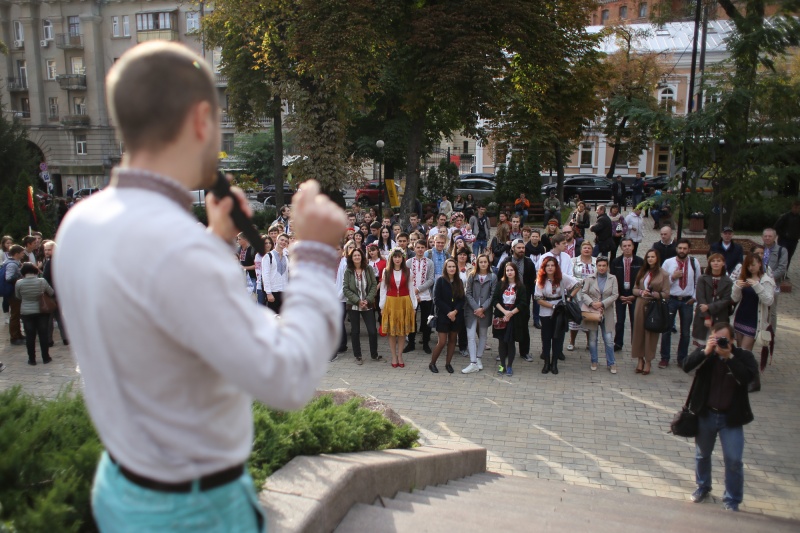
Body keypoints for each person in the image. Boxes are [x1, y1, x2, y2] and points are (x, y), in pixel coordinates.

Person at [54, 42, 348, 532]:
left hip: (122, 487)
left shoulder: (79, 222)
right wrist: (316, 255)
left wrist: (215, 240)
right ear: (200, 120)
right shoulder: (178, 249)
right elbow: (289, 378)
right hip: (191, 513)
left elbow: (156, 315)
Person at [683, 323, 758, 512]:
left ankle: (732, 499)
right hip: (706, 414)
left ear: (733, 340)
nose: (721, 343)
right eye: (716, 339)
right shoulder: (707, 354)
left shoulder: (743, 357)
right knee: (702, 455)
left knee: (734, 460)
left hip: (731, 418)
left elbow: (749, 379)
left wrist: (729, 357)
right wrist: (705, 352)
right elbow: (686, 365)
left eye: (724, 339)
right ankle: (703, 486)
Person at [659, 239, 701, 369]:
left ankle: (682, 358)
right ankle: (664, 358)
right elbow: (662, 283)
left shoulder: (694, 262)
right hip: (671, 299)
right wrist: (673, 277)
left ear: (689, 250)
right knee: (666, 330)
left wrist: (694, 297)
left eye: (685, 248)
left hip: (687, 300)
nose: (682, 251)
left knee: (685, 332)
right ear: (676, 249)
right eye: (680, 248)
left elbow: (698, 281)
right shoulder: (668, 262)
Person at [534, 257, 578, 375]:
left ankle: (554, 363)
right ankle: (546, 362)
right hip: (546, 311)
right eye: (547, 265)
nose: (550, 268)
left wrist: (569, 298)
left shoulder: (562, 277)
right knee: (546, 337)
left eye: (552, 265)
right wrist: (552, 306)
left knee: (557, 337)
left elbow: (578, 284)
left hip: (560, 312)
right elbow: (538, 299)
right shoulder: (540, 280)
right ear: (544, 267)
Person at [631, 249, 670, 375]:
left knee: (651, 333)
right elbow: (634, 289)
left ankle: (648, 361)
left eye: (653, 257)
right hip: (640, 304)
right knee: (638, 332)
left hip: (654, 306)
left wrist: (654, 294)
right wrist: (641, 292)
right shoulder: (642, 271)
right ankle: (640, 359)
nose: (650, 259)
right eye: (648, 257)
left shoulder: (663, 274)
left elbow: (666, 293)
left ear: (657, 258)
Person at [498, 239, 536, 362]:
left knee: (523, 326)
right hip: (507, 299)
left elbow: (532, 281)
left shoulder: (529, 263)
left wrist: (529, 295)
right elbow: (499, 278)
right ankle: (504, 352)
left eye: (523, 248)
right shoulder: (506, 261)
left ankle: (524, 352)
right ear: (513, 248)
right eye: (519, 248)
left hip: (522, 300)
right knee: (505, 326)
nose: (521, 250)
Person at [580, 256, 619, 373]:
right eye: (599, 265)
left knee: (609, 339)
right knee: (592, 339)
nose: (602, 268)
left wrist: (602, 303)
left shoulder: (613, 278)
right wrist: (592, 303)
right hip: (592, 311)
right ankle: (594, 361)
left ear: (607, 267)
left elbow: (615, 294)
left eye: (604, 266)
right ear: (596, 266)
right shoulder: (590, 278)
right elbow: (584, 293)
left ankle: (611, 362)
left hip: (607, 311)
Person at [491, 261, 529, 377]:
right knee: (502, 342)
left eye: (511, 270)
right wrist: (505, 312)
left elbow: (523, 303)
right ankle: (502, 365)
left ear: (515, 271)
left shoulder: (521, 286)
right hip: (501, 316)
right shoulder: (500, 284)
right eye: (507, 270)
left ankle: (509, 366)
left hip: (514, 317)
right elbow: (495, 300)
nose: (509, 272)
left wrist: (510, 313)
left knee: (510, 342)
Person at [342, 248, 380, 365]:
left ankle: (374, 354)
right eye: (354, 255)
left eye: (358, 255)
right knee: (355, 331)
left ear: (362, 256)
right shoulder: (348, 271)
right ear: (351, 258)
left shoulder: (368, 269)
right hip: (354, 305)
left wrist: (367, 300)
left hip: (367, 304)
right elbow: (346, 288)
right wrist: (358, 301)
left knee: (372, 331)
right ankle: (357, 355)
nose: (357, 257)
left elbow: (373, 285)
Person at [380, 248, 417, 368]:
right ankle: (393, 356)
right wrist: (382, 306)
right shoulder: (386, 271)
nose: (397, 259)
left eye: (399, 257)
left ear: (403, 258)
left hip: (404, 302)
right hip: (390, 302)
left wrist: (414, 305)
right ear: (391, 258)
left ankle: (400, 355)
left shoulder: (408, 271)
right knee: (391, 331)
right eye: (395, 257)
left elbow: (411, 289)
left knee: (402, 331)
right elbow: (383, 289)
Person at [731, 253, 775, 351]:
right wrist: (737, 287)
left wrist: (757, 286)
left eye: (753, 265)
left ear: (760, 264)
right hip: (740, 317)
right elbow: (734, 299)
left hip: (754, 320)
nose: (750, 268)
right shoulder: (744, 278)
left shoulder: (766, 280)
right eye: (748, 266)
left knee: (745, 349)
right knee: (739, 349)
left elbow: (769, 301)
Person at [429, 258, 465, 374]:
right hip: (443, 315)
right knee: (442, 342)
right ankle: (432, 363)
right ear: (445, 268)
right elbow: (436, 299)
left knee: (453, 340)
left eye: (453, 266)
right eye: (449, 267)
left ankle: (448, 363)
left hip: (456, 316)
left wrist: (455, 311)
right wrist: (449, 312)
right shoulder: (440, 281)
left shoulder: (459, 281)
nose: (452, 269)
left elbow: (462, 299)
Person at [15, 262, 54, 365]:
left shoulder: (19, 283)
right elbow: (51, 292)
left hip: (26, 312)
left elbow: (18, 296)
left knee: (30, 336)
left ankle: (32, 359)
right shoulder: (42, 281)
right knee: (43, 335)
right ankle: (46, 357)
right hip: (42, 311)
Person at [691, 253, 733, 347]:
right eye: (713, 261)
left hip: (720, 315)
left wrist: (709, 307)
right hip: (703, 315)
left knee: (717, 344)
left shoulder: (728, 281)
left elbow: (726, 300)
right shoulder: (702, 278)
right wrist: (707, 317)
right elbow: (701, 298)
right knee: (703, 346)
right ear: (709, 263)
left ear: (723, 263)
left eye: (718, 261)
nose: (716, 263)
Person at [463, 254, 496, 373]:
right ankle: (473, 362)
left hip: (485, 311)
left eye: (485, 262)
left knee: (483, 335)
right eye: (480, 262)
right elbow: (468, 293)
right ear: (477, 263)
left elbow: (492, 295)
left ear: (488, 263)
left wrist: (482, 308)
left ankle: (478, 358)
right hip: (471, 310)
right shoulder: (472, 276)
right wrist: (476, 308)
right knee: (470, 336)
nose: (483, 264)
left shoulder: (493, 277)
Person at [611, 239, 644, 351]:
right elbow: (613, 280)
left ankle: (635, 343)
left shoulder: (640, 262)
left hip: (634, 294)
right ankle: (618, 343)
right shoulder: (616, 262)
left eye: (629, 245)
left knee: (635, 320)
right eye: (624, 246)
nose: (627, 248)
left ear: (633, 247)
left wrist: (635, 295)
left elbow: (643, 280)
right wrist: (619, 295)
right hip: (620, 295)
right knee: (620, 321)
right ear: (621, 247)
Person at [405, 240, 435, 354]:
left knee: (426, 320)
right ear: (414, 248)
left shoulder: (430, 263)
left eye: (422, 247)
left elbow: (431, 280)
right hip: (411, 295)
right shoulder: (408, 262)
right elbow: (405, 279)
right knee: (411, 319)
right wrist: (414, 293)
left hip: (426, 295)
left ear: (425, 249)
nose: (420, 249)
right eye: (418, 247)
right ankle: (411, 343)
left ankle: (426, 343)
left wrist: (418, 289)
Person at [567, 241, 596, 351]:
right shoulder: (573, 261)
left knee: (589, 318)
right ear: (581, 250)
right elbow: (570, 276)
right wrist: (582, 281)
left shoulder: (596, 261)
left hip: (591, 294)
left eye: (589, 248)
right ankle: (572, 341)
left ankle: (589, 342)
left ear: (592, 250)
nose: (587, 250)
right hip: (576, 294)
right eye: (585, 248)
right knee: (575, 318)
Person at [41, 240, 68, 346]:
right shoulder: (61, 261)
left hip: (52, 293)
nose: (46, 252)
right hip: (59, 292)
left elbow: (45, 279)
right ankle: (65, 338)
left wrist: (49, 292)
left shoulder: (50, 262)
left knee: (50, 318)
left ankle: (49, 340)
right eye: (45, 250)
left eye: (49, 250)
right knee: (59, 316)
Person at [761, 228, 787, 333]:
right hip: (759, 282)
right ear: (762, 237)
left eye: (770, 236)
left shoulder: (782, 250)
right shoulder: (759, 249)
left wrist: (768, 279)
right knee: (760, 308)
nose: (767, 238)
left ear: (775, 237)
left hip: (773, 284)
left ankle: (771, 333)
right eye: (765, 236)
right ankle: (760, 330)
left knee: (772, 310)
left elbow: (782, 268)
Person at [263, 233, 290, 314]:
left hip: (284, 292)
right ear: (277, 240)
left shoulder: (286, 257)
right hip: (273, 292)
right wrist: (268, 293)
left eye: (286, 241)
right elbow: (265, 275)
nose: (283, 242)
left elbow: (287, 275)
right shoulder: (268, 256)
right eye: (282, 240)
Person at [4, 245, 25, 346]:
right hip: (13, 292)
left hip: (14, 292)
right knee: (15, 314)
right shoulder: (12, 264)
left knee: (16, 314)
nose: (23, 255)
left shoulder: (13, 263)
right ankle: (14, 337)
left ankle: (18, 334)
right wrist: (20, 274)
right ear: (16, 254)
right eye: (22, 253)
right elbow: (9, 278)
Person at [526, 229, 547, 329]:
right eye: (533, 236)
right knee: (526, 300)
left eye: (536, 236)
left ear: (539, 238)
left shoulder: (542, 249)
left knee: (537, 300)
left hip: (539, 277)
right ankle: (525, 319)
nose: (534, 238)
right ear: (530, 237)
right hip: (528, 278)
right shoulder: (526, 248)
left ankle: (536, 320)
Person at [774, 200, 800, 269]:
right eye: (795, 207)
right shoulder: (785, 216)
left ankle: (785, 271)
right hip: (784, 240)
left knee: (789, 256)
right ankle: (778, 269)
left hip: (794, 240)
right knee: (782, 255)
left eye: (798, 208)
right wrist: (783, 234)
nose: (796, 209)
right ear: (792, 207)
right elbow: (776, 226)